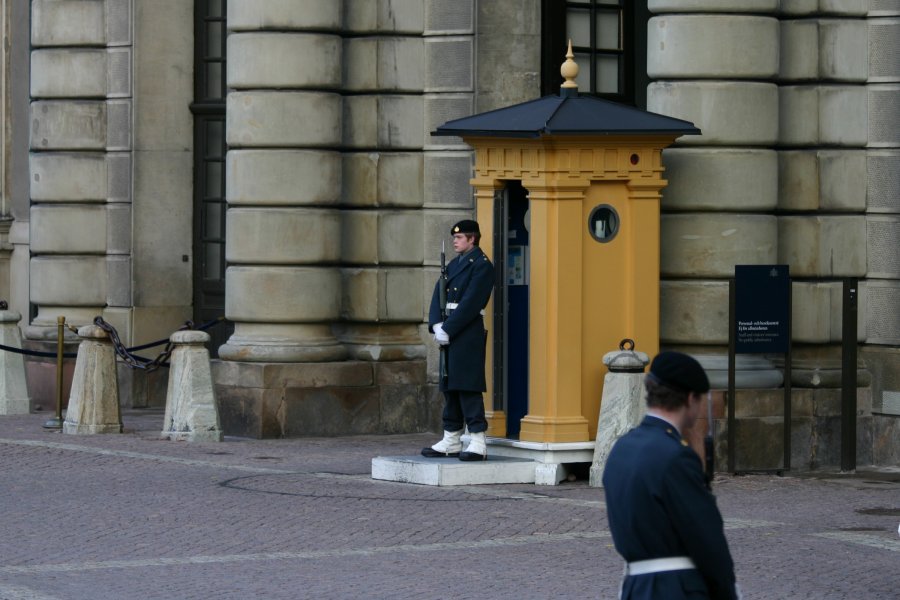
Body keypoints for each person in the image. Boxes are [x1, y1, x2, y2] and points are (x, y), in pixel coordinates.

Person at [602, 351, 740, 600]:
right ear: (690, 398)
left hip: (635, 588)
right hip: (676, 589)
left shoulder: (621, 448)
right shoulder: (676, 456)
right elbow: (706, 538)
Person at [421, 219, 494, 461]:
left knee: (468, 386)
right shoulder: (454, 264)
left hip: (467, 331)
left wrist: (449, 328)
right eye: (454, 237)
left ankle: (478, 441)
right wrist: (436, 324)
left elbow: (472, 302)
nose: (455, 241)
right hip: (448, 330)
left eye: (460, 237)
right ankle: (451, 438)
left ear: (472, 239)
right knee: (449, 385)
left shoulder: (482, 266)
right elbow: (437, 293)